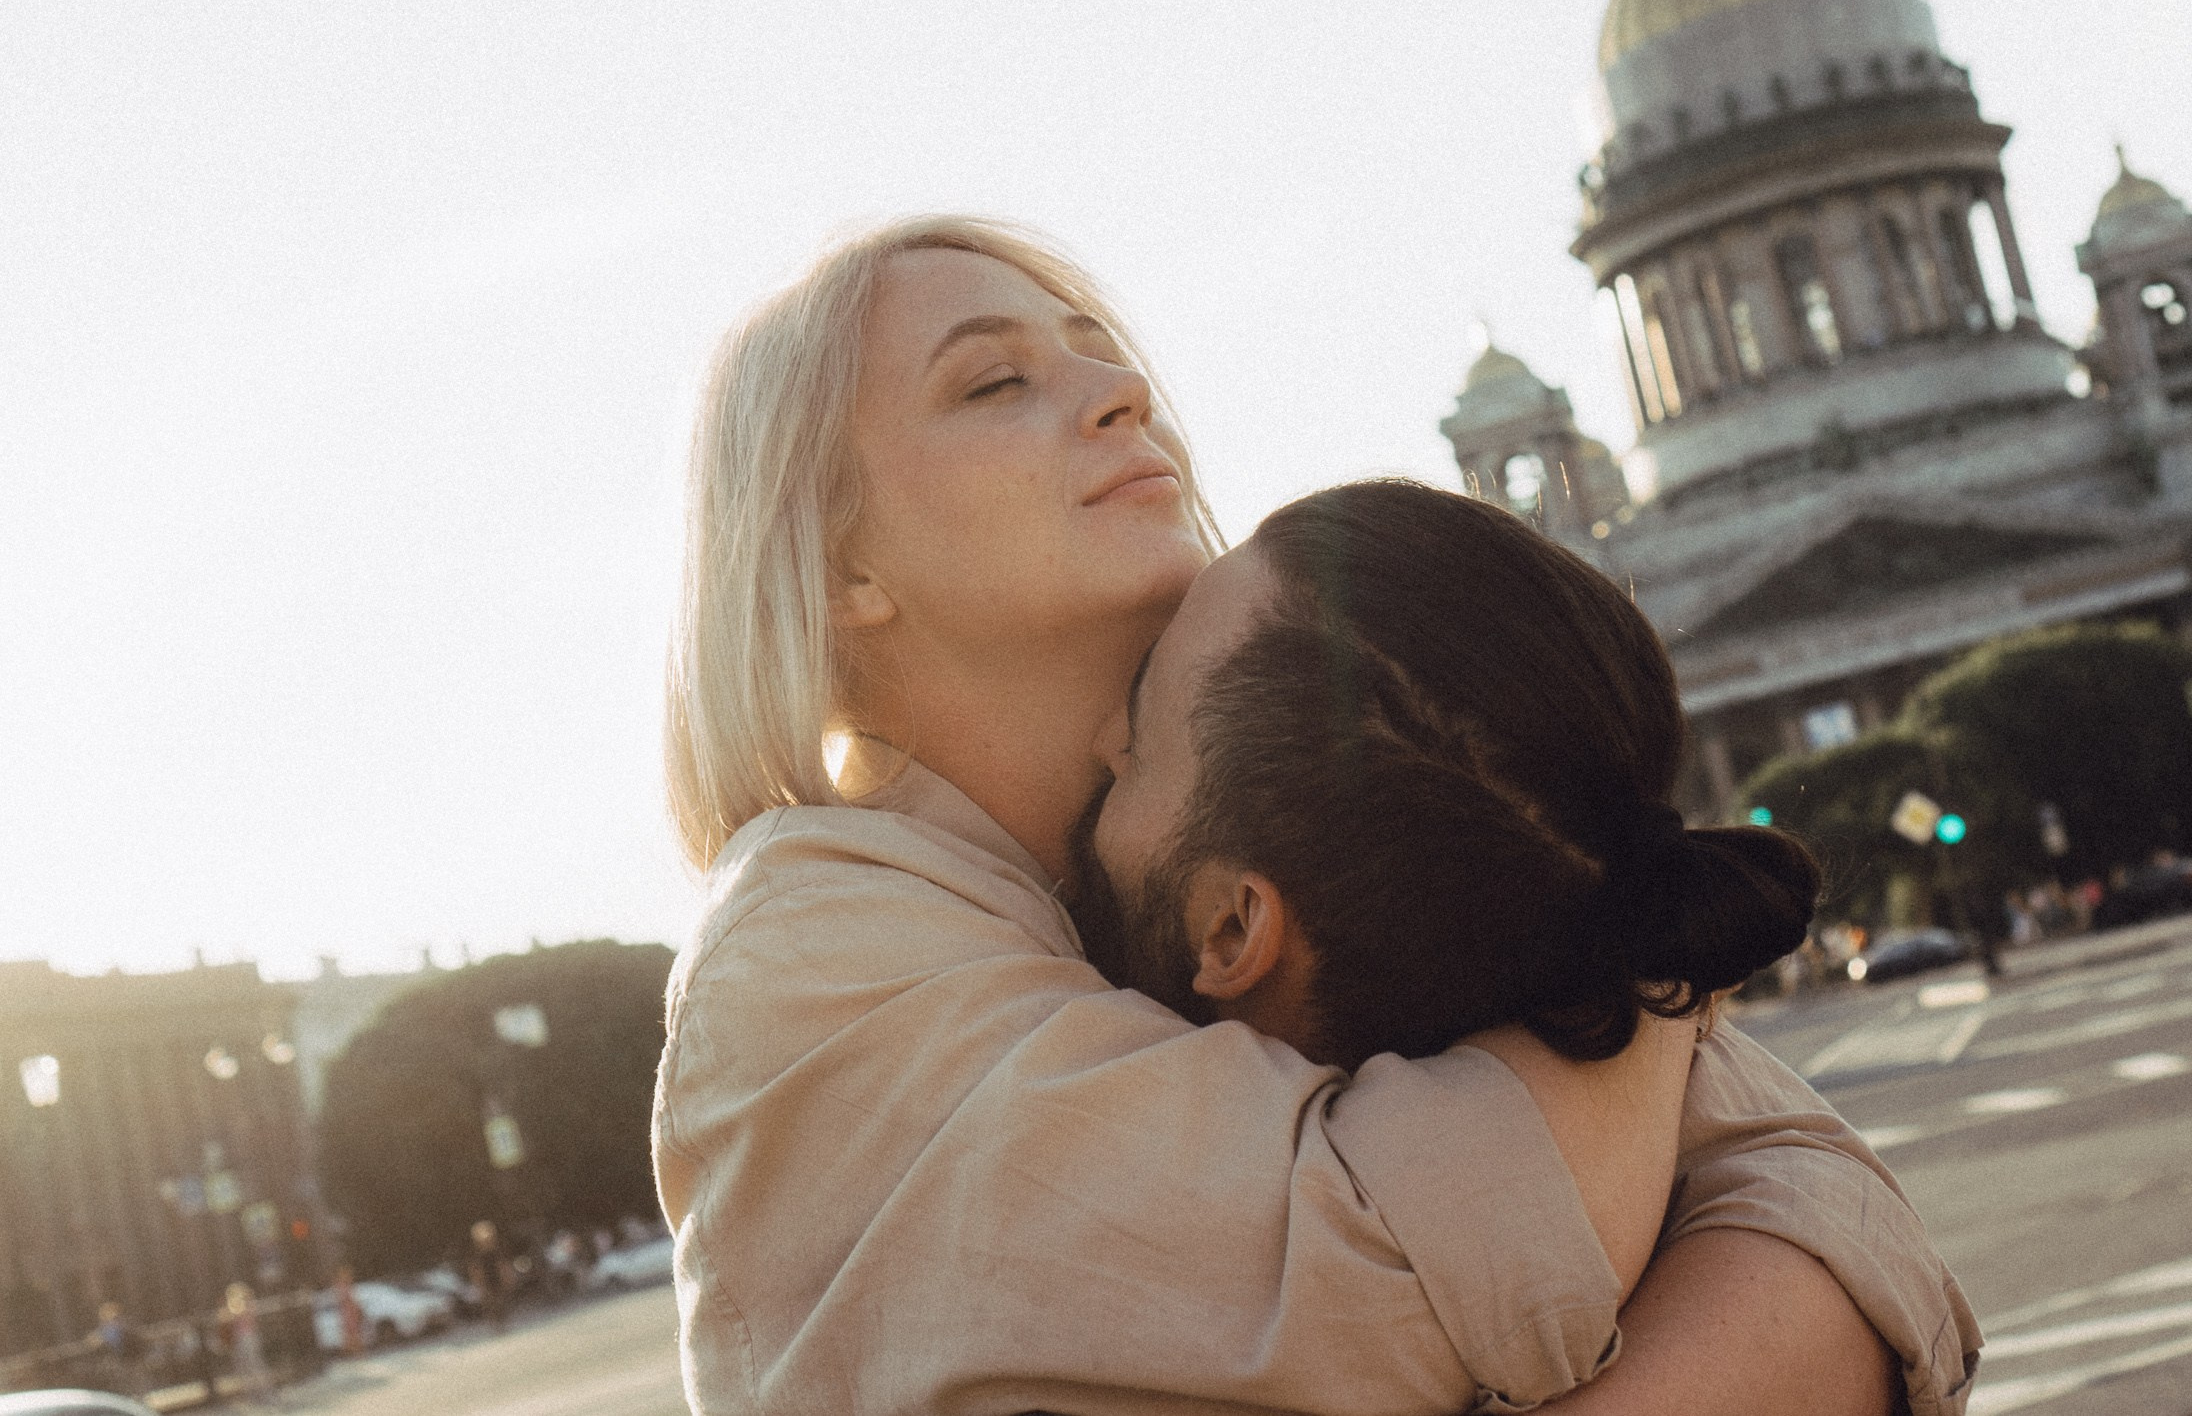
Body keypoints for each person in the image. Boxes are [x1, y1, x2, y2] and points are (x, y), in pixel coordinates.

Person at [654, 217, 1975, 1415]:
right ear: (839, 566)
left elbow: (1843, 1215)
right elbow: (1413, 1268)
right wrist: (1624, 911)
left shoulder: (1219, 838)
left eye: (1101, 351)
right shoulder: (810, 947)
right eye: (995, 380)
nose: (1121, 391)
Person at [1069, 479, 1975, 1415]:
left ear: (1233, 928)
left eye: (1140, 736)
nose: (1099, 741)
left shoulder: (1136, 1249)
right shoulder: (1778, 1226)